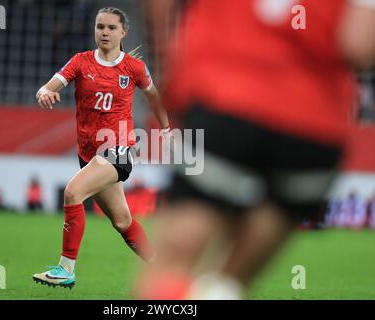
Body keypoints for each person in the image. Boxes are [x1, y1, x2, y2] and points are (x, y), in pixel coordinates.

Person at [138, 0, 375, 299]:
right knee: (226, 284)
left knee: (171, 268)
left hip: (225, 101)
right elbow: (359, 45)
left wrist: (167, 62)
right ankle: (221, 289)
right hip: (313, 126)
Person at [32, 7, 171, 289]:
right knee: (122, 221)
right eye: (100, 27)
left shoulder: (133, 68)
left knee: (73, 192)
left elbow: (155, 97)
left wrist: (166, 128)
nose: (104, 32)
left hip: (117, 150)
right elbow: (49, 86)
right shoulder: (81, 62)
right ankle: (167, 271)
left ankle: (65, 269)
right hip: (89, 155)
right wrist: (45, 92)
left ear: (123, 32)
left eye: (110, 28)